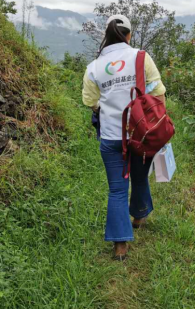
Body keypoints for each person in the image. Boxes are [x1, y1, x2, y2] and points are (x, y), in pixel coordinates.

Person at [82, 14, 166, 260]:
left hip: (111, 136)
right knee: (139, 178)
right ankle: (138, 216)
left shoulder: (94, 66)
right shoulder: (141, 57)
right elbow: (158, 93)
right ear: (128, 35)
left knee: (117, 190)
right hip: (142, 133)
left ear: (106, 36)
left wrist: (107, 109)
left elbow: (90, 101)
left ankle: (120, 246)